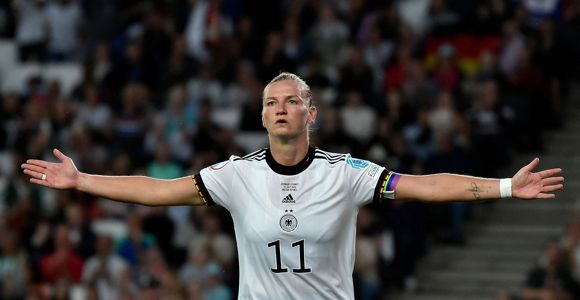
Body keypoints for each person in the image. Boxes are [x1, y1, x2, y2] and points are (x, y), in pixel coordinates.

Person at [21, 72, 564, 299]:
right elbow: (157, 190)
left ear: (311, 113)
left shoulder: (345, 174)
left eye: (291, 100)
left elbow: (425, 185)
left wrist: (504, 188)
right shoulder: (236, 176)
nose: (281, 108)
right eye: (270, 102)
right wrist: (83, 179)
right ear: (261, 117)